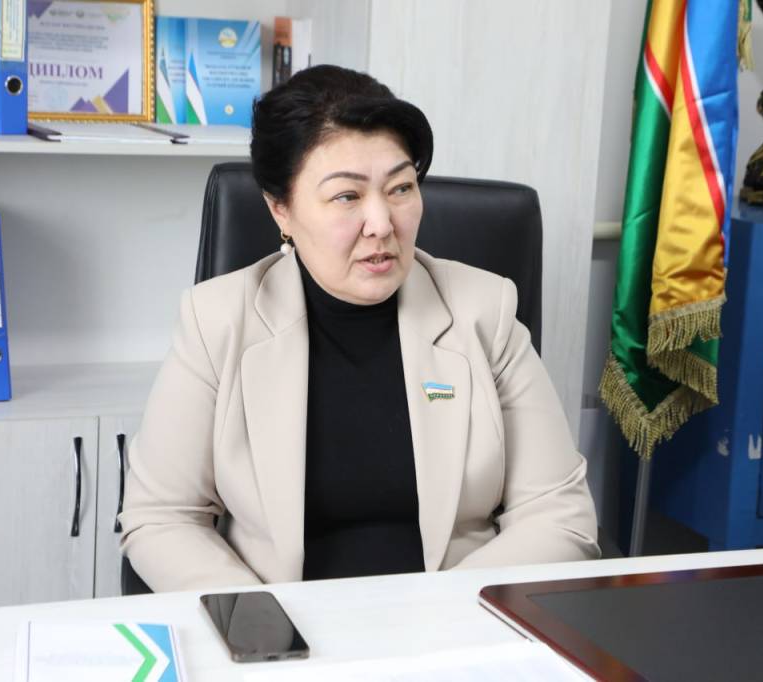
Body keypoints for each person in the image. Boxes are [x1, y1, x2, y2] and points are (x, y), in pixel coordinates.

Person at [120, 65, 599, 592]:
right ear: (281, 210)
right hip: (281, 627)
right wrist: (260, 622)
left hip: (455, 617)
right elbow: (162, 516)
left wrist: (440, 616)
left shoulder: (485, 311)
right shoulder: (217, 321)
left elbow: (559, 514)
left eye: (401, 188)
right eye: (347, 196)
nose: (383, 223)